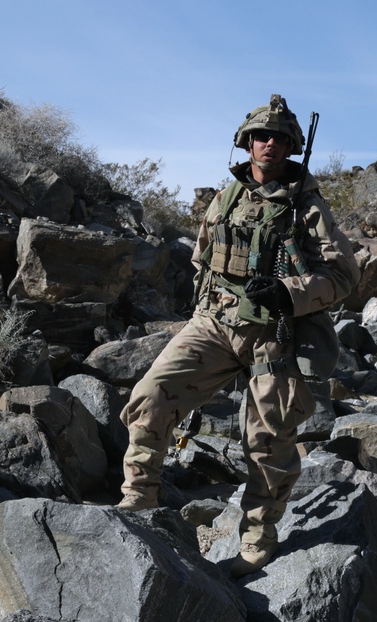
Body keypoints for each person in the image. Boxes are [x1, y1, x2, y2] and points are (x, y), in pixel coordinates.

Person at [116, 94, 360, 576]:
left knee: (268, 441)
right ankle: (137, 501)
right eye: (261, 136)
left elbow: (344, 275)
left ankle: (256, 541)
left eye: (280, 138)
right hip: (215, 324)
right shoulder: (226, 196)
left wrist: (290, 290)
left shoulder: (307, 205)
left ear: (291, 147)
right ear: (247, 143)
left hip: (275, 333)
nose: (269, 144)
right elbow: (203, 258)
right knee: (150, 396)